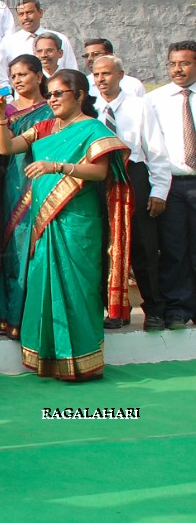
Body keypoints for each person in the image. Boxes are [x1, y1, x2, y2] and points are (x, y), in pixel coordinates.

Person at [0, 69, 130, 381]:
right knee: (45, 285)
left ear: (78, 95)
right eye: (49, 93)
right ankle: (50, 359)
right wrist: (0, 116)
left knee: (77, 287)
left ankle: (84, 361)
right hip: (45, 222)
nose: (51, 99)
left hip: (78, 223)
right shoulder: (44, 127)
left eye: (58, 93)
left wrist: (59, 166)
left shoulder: (93, 129)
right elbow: (6, 148)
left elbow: (101, 172)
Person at [92, 54, 170, 330]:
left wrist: (159, 190)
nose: (101, 79)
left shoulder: (139, 106)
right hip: (99, 178)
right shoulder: (90, 108)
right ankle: (113, 311)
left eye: (107, 74)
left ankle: (155, 310)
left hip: (133, 175)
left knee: (143, 246)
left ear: (121, 75)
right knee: (104, 247)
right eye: (97, 74)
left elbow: (156, 150)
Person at [0, 54, 52, 337]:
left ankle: (39, 316)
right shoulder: (7, 109)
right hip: (14, 182)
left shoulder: (52, 109)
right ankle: (12, 317)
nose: (17, 81)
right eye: (13, 77)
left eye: (23, 74)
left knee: (40, 248)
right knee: (16, 246)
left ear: (38, 76)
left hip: (46, 179)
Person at [147, 41, 196, 330]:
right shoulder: (156, 100)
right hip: (173, 185)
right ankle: (177, 309)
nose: (178, 69)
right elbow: (153, 147)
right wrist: (158, 189)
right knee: (174, 248)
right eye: (173, 64)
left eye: (185, 63)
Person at [0, 0, 79, 69]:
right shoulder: (8, 43)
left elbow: (72, 69)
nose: (25, 17)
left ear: (40, 13)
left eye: (29, 12)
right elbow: (3, 74)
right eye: (21, 14)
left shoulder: (60, 39)